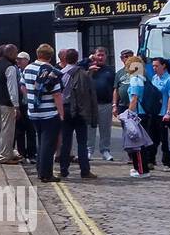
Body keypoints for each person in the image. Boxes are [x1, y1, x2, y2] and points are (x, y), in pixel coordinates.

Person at [23, 44, 64, 183]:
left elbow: (23, 86)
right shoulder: (52, 71)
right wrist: (61, 113)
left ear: (37, 53)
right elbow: (57, 94)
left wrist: (31, 98)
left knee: (41, 141)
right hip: (49, 113)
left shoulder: (28, 68)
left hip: (33, 111)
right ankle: (46, 174)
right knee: (48, 144)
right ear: (51, 56)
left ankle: (40, 170)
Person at [58, 48, 97, 179]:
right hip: (80, 110)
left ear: (64, 59)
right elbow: (91, 94)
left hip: (65, 109)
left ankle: (63, 170)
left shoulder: (60, 73)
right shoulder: (84, 74)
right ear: (77, 58)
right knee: (82, 142)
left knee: (66, 142)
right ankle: (85, 171)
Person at [117, 54, 151, 177]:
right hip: (142, 113)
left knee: (137, 144)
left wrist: (128, 115)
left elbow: (134, 99)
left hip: (137, 114)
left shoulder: (135, 79)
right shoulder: (142, 78)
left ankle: (142, 170)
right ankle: (140, 168)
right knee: (139, 143)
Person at [0, 44, 21, 164]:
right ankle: (5, 156)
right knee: (8, 130)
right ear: (11, 53)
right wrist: (16, 106)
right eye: (16, 53)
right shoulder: (10, 67)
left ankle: (7, 152)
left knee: (3, 129)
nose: (17, 56)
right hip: (7, 103)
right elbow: (12, 89)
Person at [146, 57, 170, 170]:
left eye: (156, 66)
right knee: (152, 138)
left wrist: (168, 113)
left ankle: (168, 163)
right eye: (153, 66)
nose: (154, 68)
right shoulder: (154, 78)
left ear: (163, 66)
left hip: (165, 114)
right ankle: (150, 160)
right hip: (155, 113)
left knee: (166, 140)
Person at [87, 46, 116, 162]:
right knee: (90, 128)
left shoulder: (110, 70)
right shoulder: (88, 68)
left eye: (102, 55)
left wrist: (114, 104)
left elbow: (115, 88)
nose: (100, 57)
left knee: (105, 129)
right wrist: (89, 70)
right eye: (98, 55)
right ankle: (89, 150)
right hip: (91, 104)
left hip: (106, 103)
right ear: (94, 56)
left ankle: (105, 150)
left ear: (106, 57)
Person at [14, 51, 36, 162]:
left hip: (29, 104)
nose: (18, 61)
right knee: (19, 130)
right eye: (17, 59)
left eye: (21, 59)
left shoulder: (31, 71)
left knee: (31, 130)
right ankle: (21, 153)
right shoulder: (15, 71)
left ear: (27, 60)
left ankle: (32, 154)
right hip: (19, 104)